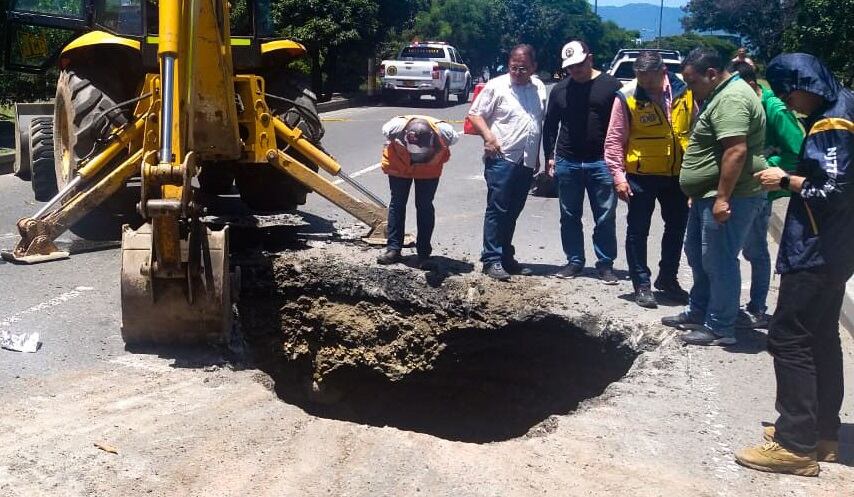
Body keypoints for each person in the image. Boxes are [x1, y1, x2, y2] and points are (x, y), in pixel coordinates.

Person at [736, 53, 853, 477]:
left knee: (789, 339)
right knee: (821, 336)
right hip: (837, 248)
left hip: (817, 249)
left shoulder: (832, 124)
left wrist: (783, 179)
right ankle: (823, 434)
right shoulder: (845, 106)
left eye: (790, 93)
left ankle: (795, 444)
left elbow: (833, 190)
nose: (789, 102)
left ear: (808, 82)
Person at [661, 47, 767, 346]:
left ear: (711, 74)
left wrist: (721, 198)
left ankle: (720, 325)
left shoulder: (732, 99)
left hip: (730, 196)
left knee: (719, 259)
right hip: (707, 194)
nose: (690, 89)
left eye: (692, 82)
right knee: (697, 253)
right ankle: (699, 309)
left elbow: (736, 150)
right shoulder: (721, 94)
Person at [604, 51, 694, 308]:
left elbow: (696, 128)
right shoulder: (628, 96)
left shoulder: (685, 90)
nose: (645, 84)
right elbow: (614, 139)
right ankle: (641, 283)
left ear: (662, 70)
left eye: (649, 79)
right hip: (641, 175)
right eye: (640, 78)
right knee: (637, 230)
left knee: (677, 228)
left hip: (678, 173)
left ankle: (668, 278)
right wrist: (618, 177)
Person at [729, 61, 805, 329]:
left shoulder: (774, 108)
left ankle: (757, 307)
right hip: (741, 188)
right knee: (739, 248)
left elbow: (797, 150)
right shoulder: (745, 103)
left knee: (755, 250)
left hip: (759, 189)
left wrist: (767, 165)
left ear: (751, 85)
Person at [543, 40, 623, 283]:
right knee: (569, 214)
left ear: (590, 57)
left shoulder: (611, 86)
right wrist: (549, 157)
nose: (575, 70)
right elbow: (550, 126)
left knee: (605, 216)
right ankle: (574, 260)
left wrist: (618, 160)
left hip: (601, 162)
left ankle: (606, 263)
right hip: (568, 160)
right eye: (570, 67)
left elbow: (622, 125)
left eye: (579, 64)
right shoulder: (560, 89)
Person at [468, 44, 547, 281]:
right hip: (502, 158)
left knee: (514, 209)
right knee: (498, 208)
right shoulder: (497, 86)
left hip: (526, 160)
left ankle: (505, 256)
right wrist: (488, 136)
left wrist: (536, 155)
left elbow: (535, 123)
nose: (518, 72)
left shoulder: (540, 87)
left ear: (534, 67)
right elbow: (474, 113)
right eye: (514, 67)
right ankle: (491, 259)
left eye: (523, 68)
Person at [376, 115, 460, 266]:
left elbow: (452, 143)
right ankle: (393, 249)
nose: (417, 158)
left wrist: (429, 156)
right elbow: (386, 137)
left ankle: (424, 254)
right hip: (400, 166)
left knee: (424, 206)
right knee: (397, 203)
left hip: (429, 169)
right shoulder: (393, 128)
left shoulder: (446, 133)